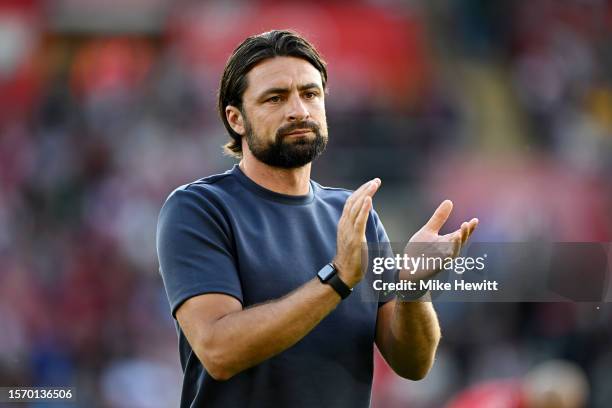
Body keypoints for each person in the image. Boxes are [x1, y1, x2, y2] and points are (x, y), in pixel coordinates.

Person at [156, 29, 478, 407]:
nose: (299, 110)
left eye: (310, 94)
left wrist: (412, 289)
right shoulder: (199, 209)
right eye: (275, 98)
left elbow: (413, 364)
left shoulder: (355, 216)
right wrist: (338, 278)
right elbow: (219, 351)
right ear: (236, 119)